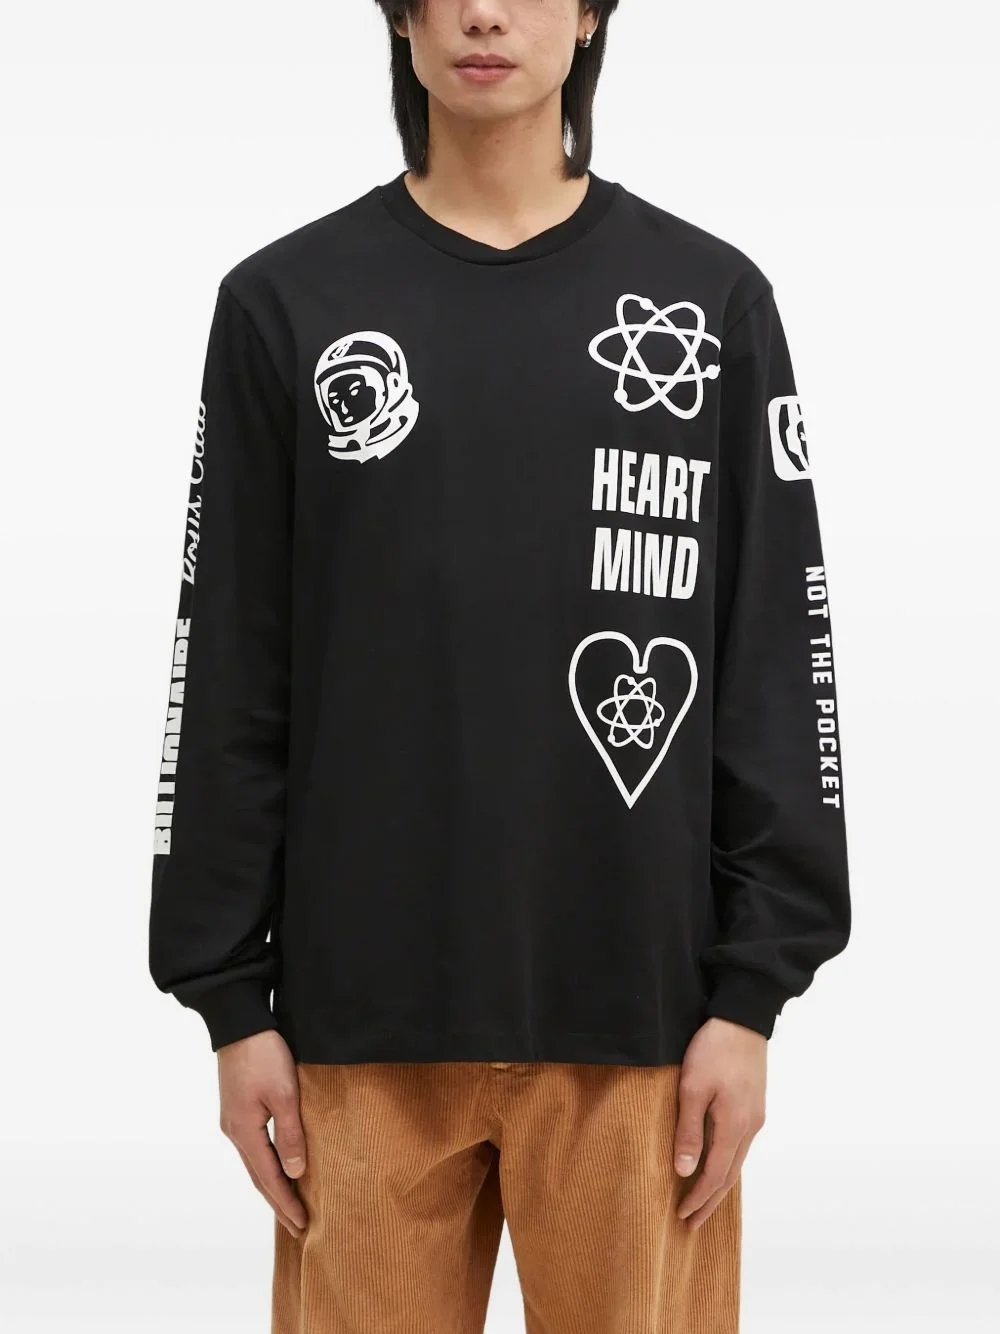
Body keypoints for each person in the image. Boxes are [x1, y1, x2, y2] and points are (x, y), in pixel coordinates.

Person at [148, 3, 852, 1330]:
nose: (485, 11)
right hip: (357, 1027)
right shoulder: (285, 306)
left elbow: (774, 657)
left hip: (644, 1020)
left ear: (589, 16)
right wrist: (230, 1003)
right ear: (399, 17)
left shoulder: (710, 305)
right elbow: (231, 667)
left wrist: (754, 995)